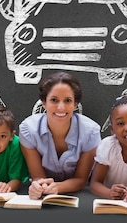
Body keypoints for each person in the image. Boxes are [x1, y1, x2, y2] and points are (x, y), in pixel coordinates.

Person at [19, 71, 101, 199]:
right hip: (46, 193)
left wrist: (57, 187)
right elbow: (38, 176)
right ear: (44, 103)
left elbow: (80, 180)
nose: (61, 107)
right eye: (54, 100)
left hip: (80, 194)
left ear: (75, 104)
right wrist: (39, 186)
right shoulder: (28, 129)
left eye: (68, 100)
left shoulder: (91, 132)